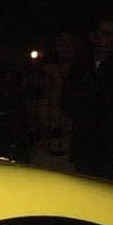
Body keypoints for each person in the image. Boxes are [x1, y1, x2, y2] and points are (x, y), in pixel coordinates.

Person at [63, 16, 113, 181]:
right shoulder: (81, 67)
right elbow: (68, 103)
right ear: (93, 36)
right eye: (105, 34)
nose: (110, 39)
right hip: (85, 148)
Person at [26, 30, 76, 172]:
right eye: (62, 43)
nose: (65, 47)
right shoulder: (40, 75)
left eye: (69, 44)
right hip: (42, 151)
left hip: (69, 155)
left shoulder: (80, 77)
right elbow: (30, 104)